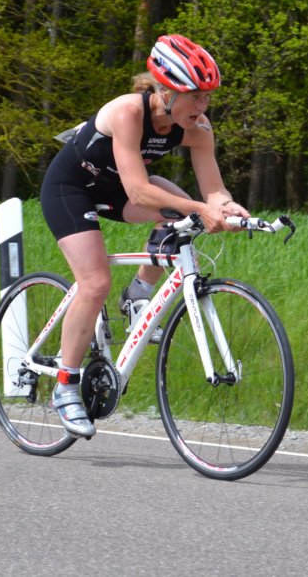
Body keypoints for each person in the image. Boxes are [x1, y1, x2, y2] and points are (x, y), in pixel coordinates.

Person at [39, 34, 250, 438]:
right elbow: (138, 192)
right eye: (196, 97)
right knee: (95, 283)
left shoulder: (198, 128)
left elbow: (214, 191)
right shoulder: (127, 112)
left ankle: (138, 296)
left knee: (180, 216)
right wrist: (200, 209)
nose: (203, 107)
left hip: (116, 188)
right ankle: (65, 386)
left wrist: (227, 208)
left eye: (208, 97)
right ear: (166, 91)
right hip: (71, 188)